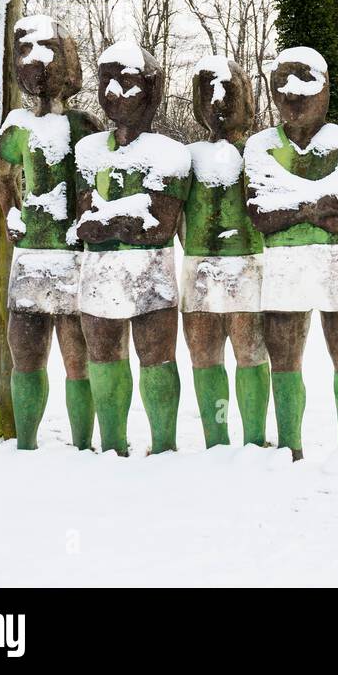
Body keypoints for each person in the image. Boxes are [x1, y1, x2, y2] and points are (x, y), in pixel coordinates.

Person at [245, 47, 338, 460]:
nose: (292, 95)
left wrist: (290, 200)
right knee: (284, 361)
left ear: (327, 88)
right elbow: (261, 214)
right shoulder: (259, 146)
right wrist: (313, 203)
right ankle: (289, 447)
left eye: (304, 82)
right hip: (283, 266)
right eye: (281, 83)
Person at [72, 41, 191, 455]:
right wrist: (122, 219)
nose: (115, 93)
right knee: (103, 357)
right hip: (99, 277)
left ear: (152, 89)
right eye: (107, 81)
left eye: (127, 83)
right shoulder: (88, 150)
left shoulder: (171, 154)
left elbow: (157, 227)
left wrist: (111, 220)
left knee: (157, 357)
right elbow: (86, 223)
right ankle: (112, 444)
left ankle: (163, 444)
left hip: (152, 276)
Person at [0, 15, 100, 450]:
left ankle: (81, 442)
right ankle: (26, 442)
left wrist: (83, 221)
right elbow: (3, 175)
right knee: (25, 353)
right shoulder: (17, 126)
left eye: (47, 49)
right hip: (32, 258)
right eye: (26, 50)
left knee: (79, 357)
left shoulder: (81, 125)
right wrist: (11, 214)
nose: (36, 60)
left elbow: (93, 182)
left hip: (73, 257)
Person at [180, 57, 269, 449]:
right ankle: (215, 437)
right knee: (204, 355)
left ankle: (255, 437)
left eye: (227, 90)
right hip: (198, 270)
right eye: (207, 90)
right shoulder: (188, 156)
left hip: (248, 266)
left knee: (250, 352)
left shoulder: (257, 152)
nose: (217, 100)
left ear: (246, 98)